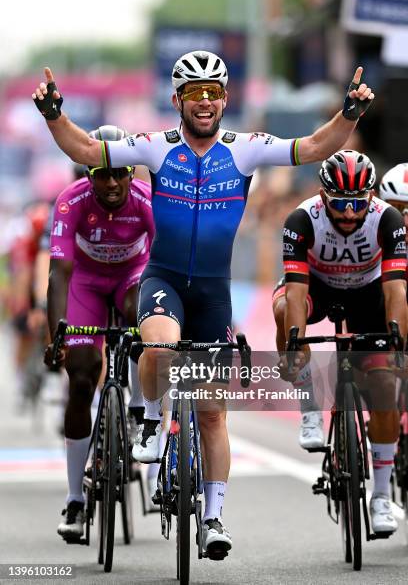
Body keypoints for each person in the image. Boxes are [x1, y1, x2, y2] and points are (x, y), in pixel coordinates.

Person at [33, 51, 374, 559]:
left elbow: (314, 147)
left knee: (213, 414)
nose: (206, 101)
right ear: (177, 101)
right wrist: (54, 113)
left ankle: (213, 517)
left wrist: (349, 113)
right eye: (195, 93)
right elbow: (85, 146)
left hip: (214, 290)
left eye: (214, 92)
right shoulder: (152, 146)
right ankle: (150, 416)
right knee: (159, 348)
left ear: (225, 98)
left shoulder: (246, 150)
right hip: (165, 279)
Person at [272, 149, 407, 533]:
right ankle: (310, 405)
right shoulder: (302, 219)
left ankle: (381, 496)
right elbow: (296, 295)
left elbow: (396, 291)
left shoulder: (388, 218)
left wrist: (397, 344)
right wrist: (295, 345)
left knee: (383, 386)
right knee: (285, 312)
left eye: (357, 204)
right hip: (316, 288)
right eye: (340, 204)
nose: (349, 214)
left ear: (370, 198)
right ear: (323, 196)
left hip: (368, 294)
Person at [44, 125, 155, 541]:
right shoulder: (70, 202)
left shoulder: (147, 200)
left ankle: (141, 406)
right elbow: (59, 274)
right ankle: (75, 499)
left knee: (143, 317)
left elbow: (164, 267)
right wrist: (56, 332)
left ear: (132, 174)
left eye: (119, 174)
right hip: (85, 285)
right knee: (81, 379)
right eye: (100, 174)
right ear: (87, 175)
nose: (111, 183)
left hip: (134, 276)